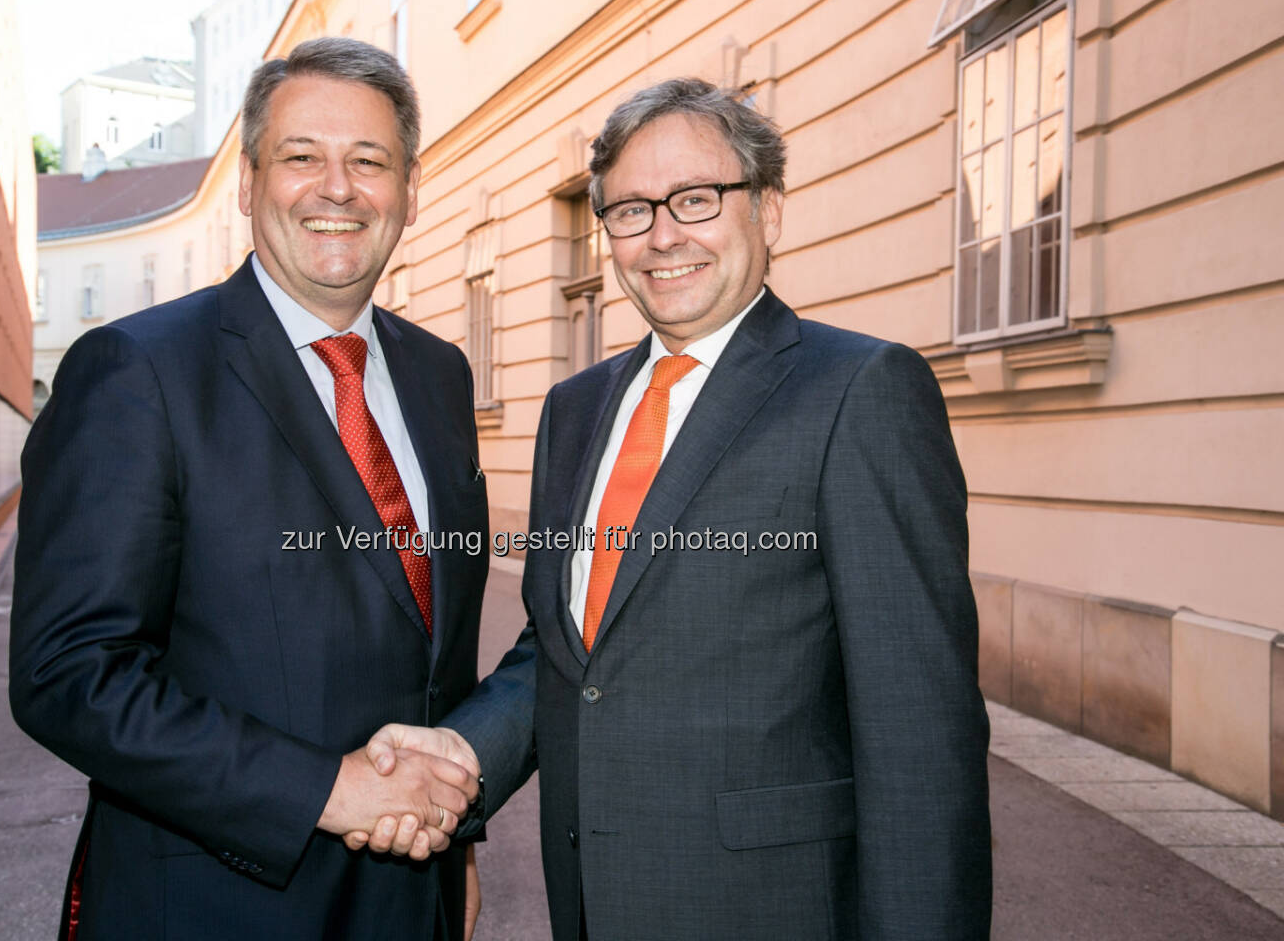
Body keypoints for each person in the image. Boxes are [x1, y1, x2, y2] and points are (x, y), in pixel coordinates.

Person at [360, 78, 993, 940]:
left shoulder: (862, 391)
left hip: (772, 911)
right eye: (629, 210)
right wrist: (465, 751)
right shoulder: (574, 410)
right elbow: (569, 648)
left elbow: (921, 734)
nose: (662, 236)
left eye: (696, 200)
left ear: (768, 209)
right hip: (591, 901)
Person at [10, 38, 489, 941]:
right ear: (248, 182)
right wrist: (324, 790)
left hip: (410, 897)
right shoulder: (136, 372)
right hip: (219, 901)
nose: (336, 188)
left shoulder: (441, 376)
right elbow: (69, 674)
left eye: (370, 161)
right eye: (302, 156)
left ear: (410, 191)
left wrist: (463, 840)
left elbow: (439, 653)